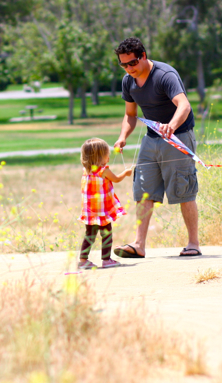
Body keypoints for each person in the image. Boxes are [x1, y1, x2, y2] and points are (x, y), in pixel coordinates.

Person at [112, 37, 202, 258]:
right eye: (124, 65)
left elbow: (184, 105)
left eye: (132, 63)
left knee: (183, 189)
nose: (129, 69)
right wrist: (123, 136)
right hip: (151, 138)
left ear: (143, 56)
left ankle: (193, 243)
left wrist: (172, 126)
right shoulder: (128, 81)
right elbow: (130, 114)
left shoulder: (164, 75)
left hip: (178, 137)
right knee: (143, 189)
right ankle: (139, 245)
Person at [78, 138, 133, 270]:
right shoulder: (104, 171)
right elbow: (117, 179)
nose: (108, 157)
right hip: (102, 211)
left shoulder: (86, 170)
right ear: (99, 157)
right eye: (106, 155)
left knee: (89, 235)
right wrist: (125, 173)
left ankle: (83, 260)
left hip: (90, 212)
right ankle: (106, 260)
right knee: (106, 235)